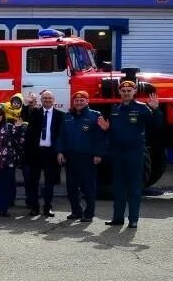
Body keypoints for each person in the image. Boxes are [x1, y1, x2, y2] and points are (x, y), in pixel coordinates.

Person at [101, 81, 163, 229]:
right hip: (117, 153)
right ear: (119, 92)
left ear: (134, 91)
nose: (126, 92)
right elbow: (114, 132)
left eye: (129, 90)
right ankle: (118, 218)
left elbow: (156, 125)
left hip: (135, 152)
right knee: (118, 187)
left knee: (134, 187)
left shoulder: (142, 108)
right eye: (123, 90)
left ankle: (133, 219)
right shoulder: (115, 109)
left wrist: (155, 110)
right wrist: (107, 129)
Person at [57, 91, 107, 222]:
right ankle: (76, 211)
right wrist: (60, 151)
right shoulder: (67, 116)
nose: (78, 103)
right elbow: (62, 136)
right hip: (71, 156)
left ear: (87, 101)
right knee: (71, 186)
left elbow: (100, 137)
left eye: (81, 100)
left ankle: (89, 213)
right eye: (76, 100)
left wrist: (98, 154)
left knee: (88, 187)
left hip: (87, 157)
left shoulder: (95, 116)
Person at [23, 89, 63, 217]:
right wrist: (26, 104)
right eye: (45, 98)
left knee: (49, 183)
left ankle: (47, 207)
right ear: (41, 100)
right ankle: (34, 207)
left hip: (51, 153)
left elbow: (62, 136)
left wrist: (60, 152)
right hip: (35, 153)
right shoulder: (35, 112)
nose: (47, 100)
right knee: (33, 181)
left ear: (54, 100)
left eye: (49, 98)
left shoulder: (60, 115)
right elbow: (24, 116)